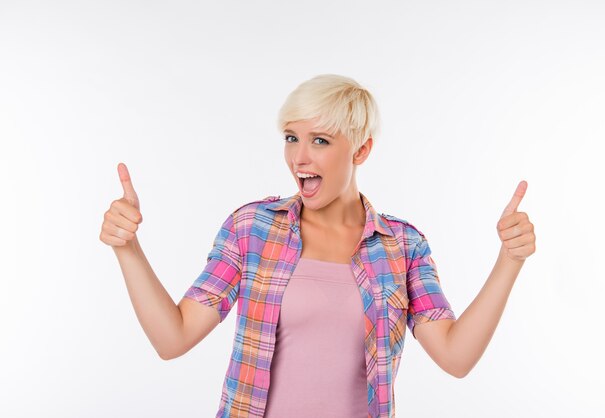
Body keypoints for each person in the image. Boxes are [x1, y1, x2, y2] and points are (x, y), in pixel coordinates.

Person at [100, 74, 536, 418]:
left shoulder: (403, 245)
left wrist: (509, 260)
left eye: (320, 141)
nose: (299, 158)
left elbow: (456, 358)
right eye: (291, 138)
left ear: (361, 149)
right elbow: (172, 339)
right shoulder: (251, 228)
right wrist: (128, 248)